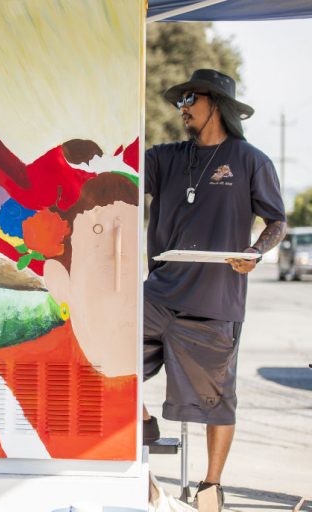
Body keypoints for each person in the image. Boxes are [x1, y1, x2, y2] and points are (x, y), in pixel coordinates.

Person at [143, 69, 286, 510]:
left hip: (214, 301)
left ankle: (211, 486)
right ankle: (143, 424)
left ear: (216, 103)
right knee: (102, 355)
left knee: (218, 398)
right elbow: (121, 178)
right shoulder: (164, 158)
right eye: (179, 100)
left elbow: (276, 221)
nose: (182, 107)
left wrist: (256, 251)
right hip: (158, 294)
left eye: (189, 98)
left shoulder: (250, 160)